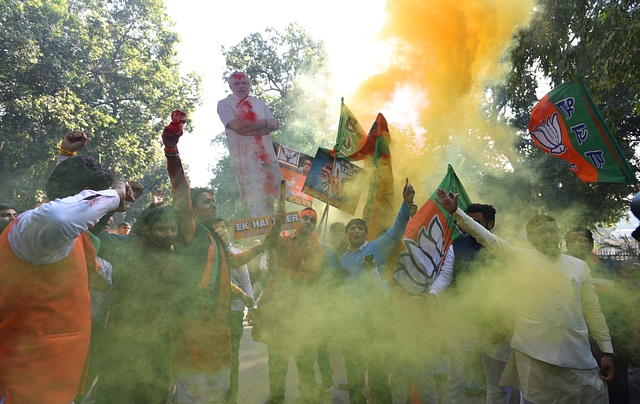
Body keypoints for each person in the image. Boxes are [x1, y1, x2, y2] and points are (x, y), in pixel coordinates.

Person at [436, 189, 615, 404]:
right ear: (531, 238)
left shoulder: (579, 267)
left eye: (551, 231)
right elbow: (485, 237)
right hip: (535, 359)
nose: (547, 236)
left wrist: (607, 351)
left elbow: (593, 311)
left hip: (578, 359)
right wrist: (456, 213)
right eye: (540, 232)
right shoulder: (519, 258)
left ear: (558, 234)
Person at [163, 109, 276, 403]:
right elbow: (181, 192)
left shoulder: (215, 238)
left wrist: (263, 246)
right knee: (193, 391)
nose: (212, 206)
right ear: (193, 208)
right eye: (206, 202)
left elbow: (231, 263)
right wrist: (172, 152)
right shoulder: (190, 232)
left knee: (219, 388)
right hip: (193, 324)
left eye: (213, 202)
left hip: (219, 325)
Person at [0, 155, 131, 404]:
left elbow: (74, 215)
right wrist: (114, 195)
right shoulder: (33, 225)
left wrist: (66, 157)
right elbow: (60, 215)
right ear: (86, 194)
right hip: (21, 387)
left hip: (52, 385)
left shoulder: (68, 235)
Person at [339, 179, 415, 404]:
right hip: (351, 327)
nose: (357, 230)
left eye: (361, 228)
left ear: (365, 234)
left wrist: (406, 205)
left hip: (375, 324)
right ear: (347, 235)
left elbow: (395, 232)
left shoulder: (375, 248)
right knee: (354, 379)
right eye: (352, 228)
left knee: (379, 379)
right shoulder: (343, 258)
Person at [442, 203, 517, 404]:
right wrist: (433, 295)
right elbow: (445, 276)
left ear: (490, 223)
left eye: (476, 222)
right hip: (463, 323)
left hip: (498, 328)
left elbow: (517, 289)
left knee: (498, 388)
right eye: (466, 222)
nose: (469, 227)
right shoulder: (456, 246)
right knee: (456, 380)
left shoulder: (505, 249)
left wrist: (507, 323)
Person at [253, 207, 326, 404]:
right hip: (276, 310)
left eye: (312, 220)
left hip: (301, 313)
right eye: (304, 218)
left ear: (315, 226)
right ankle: (277, 397)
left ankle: (309, 398)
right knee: (276, 362)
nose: (308, 222)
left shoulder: (317, 250)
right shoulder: (284, 239)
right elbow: (269, 243)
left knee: (304, 362)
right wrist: (276, 225)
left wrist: (280, 271)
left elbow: (310, 277)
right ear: (297, 221)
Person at [566, 228, 630, 404]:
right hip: (575, 340)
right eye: (573, 240)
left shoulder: (612, 267)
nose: (578, 244)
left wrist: (630, 336)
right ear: (567, 245)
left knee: (615, 388)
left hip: (611, 337)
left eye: (583, 240)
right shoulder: (560, 271)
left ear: (591, 244)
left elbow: (629, 299)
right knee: (580, 392)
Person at [217, 71, 284, 218]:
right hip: (246, 161)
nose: (241, 86)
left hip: (268, 157)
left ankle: (282, 236)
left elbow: (274, 125)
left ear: (249, 84)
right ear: (230, 86)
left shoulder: (259, 103)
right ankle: (265, 237)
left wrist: (249, 128)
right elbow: (237, 126)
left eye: (244, 83)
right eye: (237, 83)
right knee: (259, 203)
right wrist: (263, 124)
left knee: (280, 199)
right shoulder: (224, 104)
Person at [212, 218, 255, 404]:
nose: (220, 230)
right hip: (214, 311)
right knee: (214, 354)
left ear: (227, 231)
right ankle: (214, 394)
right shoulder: (209, 253)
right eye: (216, 228)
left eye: (223, 227)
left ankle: (231, 396)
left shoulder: (238, 254)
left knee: (232, 355)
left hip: (235, 310)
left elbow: (245, 281)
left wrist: (252, 307)